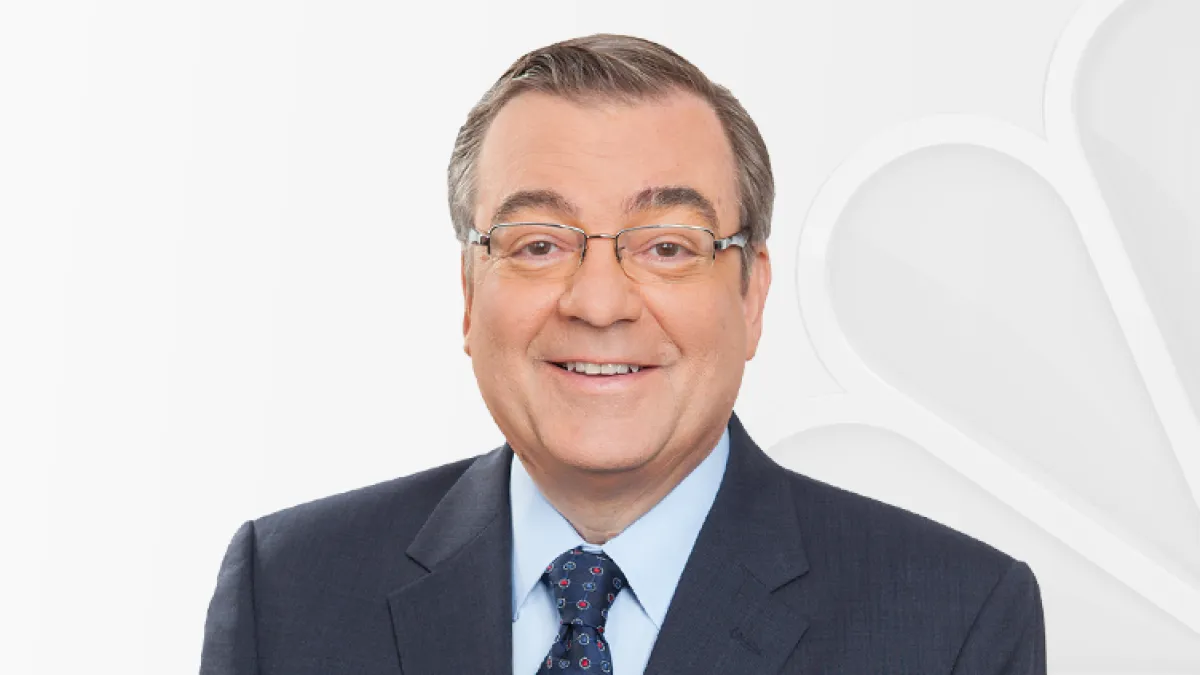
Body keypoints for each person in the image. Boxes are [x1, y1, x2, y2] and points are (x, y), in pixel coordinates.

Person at [200, 34, 1046, 675]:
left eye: (667, 246)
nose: (599, 303)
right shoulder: (287, 591)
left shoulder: (954, 621)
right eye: (538, 244)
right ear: (469, 291)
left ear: (751, 295)